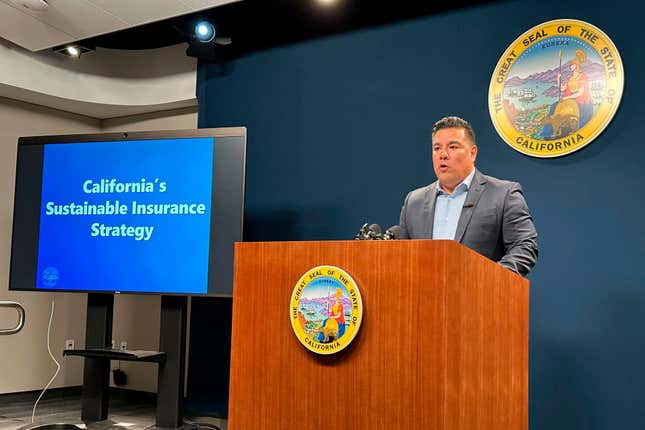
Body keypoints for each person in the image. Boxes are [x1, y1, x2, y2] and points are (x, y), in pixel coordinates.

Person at [398, 116, 538, 276]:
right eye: (437, 148)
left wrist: (491, 280)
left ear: (473, 153)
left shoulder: (503, 194)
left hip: (481, 297)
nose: (443, 154)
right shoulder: (414, 201)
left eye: (453, 147)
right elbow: (402, 258)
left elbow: (525, 246)